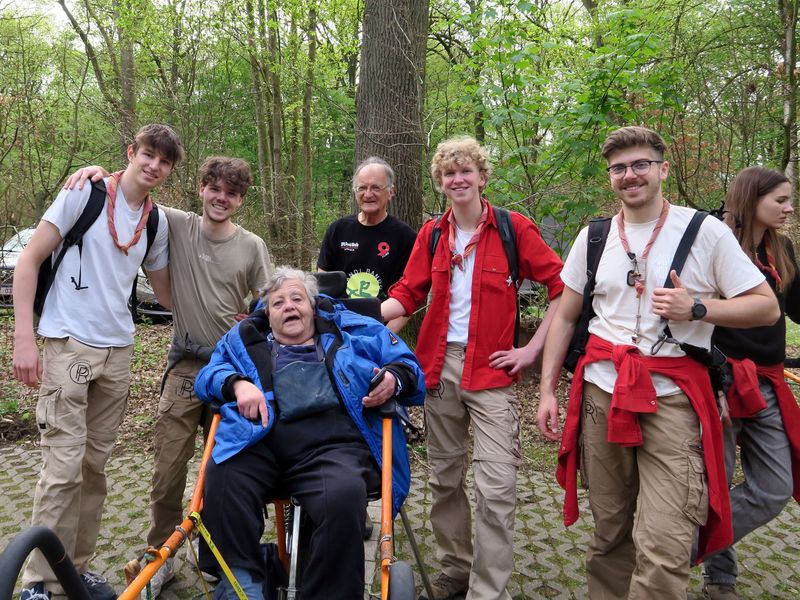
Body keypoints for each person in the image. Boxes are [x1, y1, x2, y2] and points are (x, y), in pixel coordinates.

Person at [536, 126, 781, 599]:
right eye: (619, 168)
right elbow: (565, 317)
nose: (630, 175)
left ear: (662, 169)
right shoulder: (595, 237)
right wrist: (548, 390)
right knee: (609, 532)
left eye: (640, 164)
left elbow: (765, 306)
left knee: (666, 543)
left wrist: (698, 309)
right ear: (610, 177)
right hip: (602, 396)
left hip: (673, 401)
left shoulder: (704, 232)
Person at [64, 157, 272, 597]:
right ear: (201, 189)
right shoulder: (175, 223)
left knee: (229, 468)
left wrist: (252, 323)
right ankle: (161, 552)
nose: (222, 198)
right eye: (214, 188)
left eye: (231, 193)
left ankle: (225, 554)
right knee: (167, 468)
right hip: (186, 366)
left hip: (234, 368)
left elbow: (267, 304)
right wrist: (97, 172)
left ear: (240, 200)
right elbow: (133, 191)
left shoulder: (252, 246)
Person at [381, 136, 565, 600]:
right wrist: (361, 317)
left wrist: (531, 351)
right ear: (440, 183)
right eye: (449, 173)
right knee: (444, 480)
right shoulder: (433, 234)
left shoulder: (514, 229)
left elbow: (563, 290)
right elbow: (408, 294)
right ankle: (456, 570)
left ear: (482, 178)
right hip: (438, 372)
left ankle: (488, 591)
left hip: (493, 374)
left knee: (497, 486)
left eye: (466, 171)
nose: (457, 179)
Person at [12, 124, 181, 600]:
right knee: (62, 469)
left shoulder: (156, 221)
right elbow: (29, 261)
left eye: (163, 162)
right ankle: (37, 584)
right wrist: (24, 338)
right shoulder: (83, 192)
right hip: (67, 344)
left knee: (93, 470)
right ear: (131, 153)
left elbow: (165, 292)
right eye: (147, 154)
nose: (153, 165)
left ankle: (73, 571)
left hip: (119, 353)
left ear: (168, 171)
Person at [193, 267, 425, 600]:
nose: (288, 307)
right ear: (267, 315)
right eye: (278, 303)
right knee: (223, 473)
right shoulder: (243, 337)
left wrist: (393, 378)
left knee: (343, 496)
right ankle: (242, 581)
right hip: (262, 439)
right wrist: (236, 383)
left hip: (331, 445)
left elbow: (407, 365)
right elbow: (208, 375)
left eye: (297, 298)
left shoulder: (354, 329)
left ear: (313, 306)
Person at [700, 166, 800, 600]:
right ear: (750, 199)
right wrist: (710, 379)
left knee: (774, 487)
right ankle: (719, 577)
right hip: (717, 382)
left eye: (789, 199)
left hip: (768, 383)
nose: (789, 208)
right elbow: (691, 318)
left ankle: (669, 553)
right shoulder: (711, 245)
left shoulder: (783, 250)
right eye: (780, 200)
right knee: (715, 487)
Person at [317, 157, 416, 332]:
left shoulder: (405, 237)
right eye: (362, 188)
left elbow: (409, 297)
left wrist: (384, 337)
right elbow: (322, 286)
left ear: (391, 192)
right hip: (338, 327)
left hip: (381, 329)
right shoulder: (337, 230)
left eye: (376, 187)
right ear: (355, 192)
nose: (368, 194)